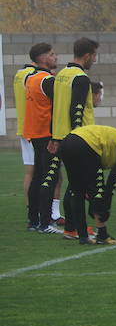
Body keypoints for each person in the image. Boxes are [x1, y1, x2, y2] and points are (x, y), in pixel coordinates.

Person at [58, 125, 116, 245]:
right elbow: (113, 176)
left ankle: (82, 236)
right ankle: (102, 235)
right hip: (86, 145)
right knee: (96, 192)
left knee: (76, 191)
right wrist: (106, 206)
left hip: (67, 142)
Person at [49, 37, 99, 237]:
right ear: (87, 55)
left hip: (62, 136)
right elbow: (75, 109)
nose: (94, 60)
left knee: (73, 184)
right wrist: (79, 136)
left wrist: (55, 136)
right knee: (77, 186)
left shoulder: (62, 74)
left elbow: (56, 107)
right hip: (78, 138)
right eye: (94, 56)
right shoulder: (80, 77)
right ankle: (74, 227)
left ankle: (71, 227)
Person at [23, 43, 62, 234]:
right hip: (47, 135)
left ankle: (33, 220)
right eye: (52, 54)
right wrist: (56, 137)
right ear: (42, 58)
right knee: (50, 177)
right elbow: (57, 109)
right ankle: (46, 223)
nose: (55, 57)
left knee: (38, 177)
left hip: (35, 134)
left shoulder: (30, 78)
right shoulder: (47, 80)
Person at [13, 56, 37, 222]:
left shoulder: (18, 74)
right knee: (40, 172)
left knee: (29, 171)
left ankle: (31, 207)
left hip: (23, 127)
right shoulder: (32, 75)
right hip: (34, 129)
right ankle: (40, 209)